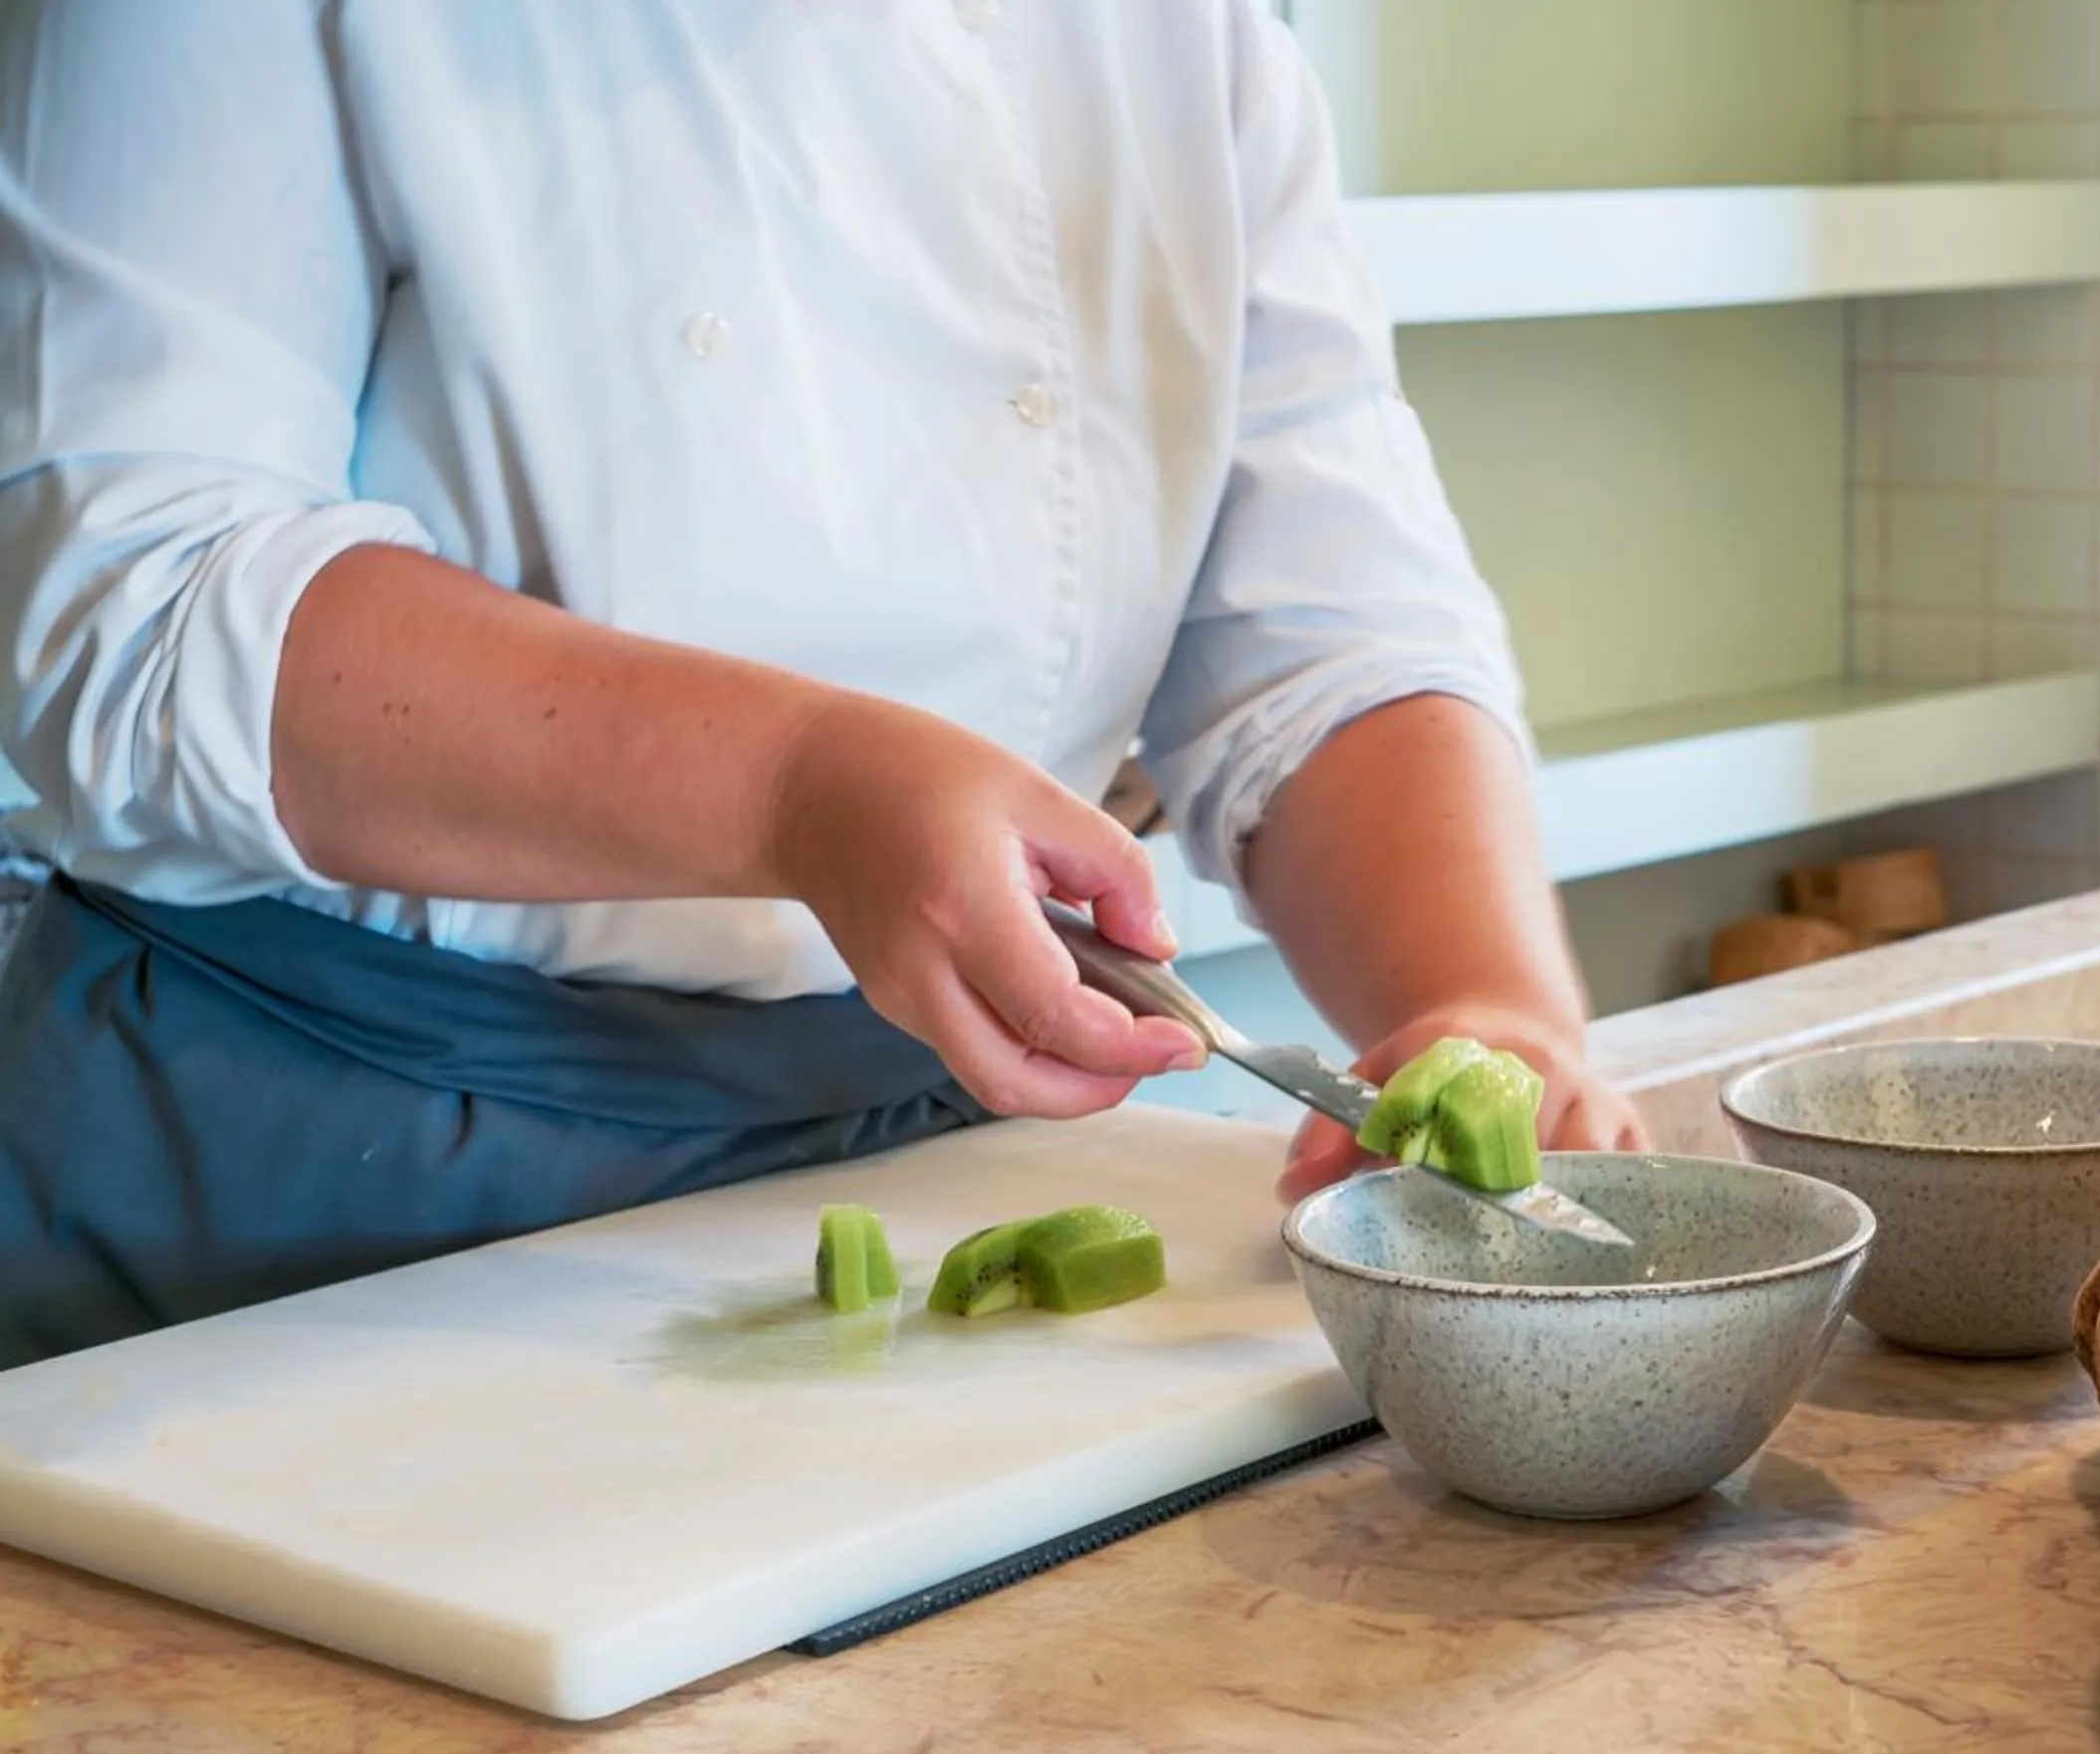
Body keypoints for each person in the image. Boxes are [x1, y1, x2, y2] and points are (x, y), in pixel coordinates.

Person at [0, 1, 1646, 1370]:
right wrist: (797, 791)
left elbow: (1330, 637)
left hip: (922, 1163)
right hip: (316, 1166)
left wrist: (1483, 995)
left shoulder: (1189, 35)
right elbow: (131, 599)